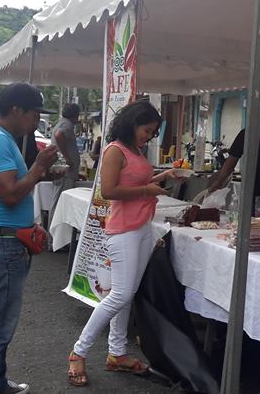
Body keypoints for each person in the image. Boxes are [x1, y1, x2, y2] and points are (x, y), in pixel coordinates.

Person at [68, 101, 182, 387]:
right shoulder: (115, 150)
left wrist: (163, 176)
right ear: (133, 123)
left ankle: (116, 353)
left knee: (126, 294)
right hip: (123, 230)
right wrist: (147, 190)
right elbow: (109, 190)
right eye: (147, 130)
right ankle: (79, 351)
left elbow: (136, 182)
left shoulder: (135, 151)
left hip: (141, 227)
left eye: (153, 132)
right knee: (120, 294)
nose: (149, 136)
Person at [0, 83, 58, 394]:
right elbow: (9, 194)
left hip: (6, 242)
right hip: (2, 246)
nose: (37, 120)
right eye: (34, 114)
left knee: (0, 325)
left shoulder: (1, 138)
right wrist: (38, 167)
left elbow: (13, 190)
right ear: (17, 110)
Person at [49, 104, 82, 213]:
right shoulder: (67, 124)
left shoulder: (62, 123)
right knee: (61, 201)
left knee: (58, 199)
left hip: (62, 168)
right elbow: (59, 135)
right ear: (75, 115)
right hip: (65, 170)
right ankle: (56, 224)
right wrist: (67, 158)